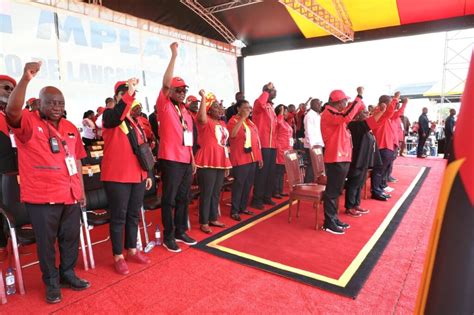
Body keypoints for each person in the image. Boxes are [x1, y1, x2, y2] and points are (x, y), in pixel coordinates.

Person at [6, 62, 90, 304]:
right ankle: (51, 282)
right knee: (46, 243)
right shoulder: (29, 122)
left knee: (70, 238)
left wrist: (81, 191)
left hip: (71, 195)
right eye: (51, 102)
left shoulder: (70, 127)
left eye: (60, 103)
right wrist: (25, 79)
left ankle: (67, 273)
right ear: (39, 103)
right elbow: (12, 111)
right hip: (42, 198)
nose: (56, 107)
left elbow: (78, 162)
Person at [101, 79, 152, 275]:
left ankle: (131, 249)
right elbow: (116, 116)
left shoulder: (134, 121)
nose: (127, 96)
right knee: (119, 217)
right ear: (116, 96)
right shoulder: (109, 116)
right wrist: (127, 96)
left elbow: (142, 149)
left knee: (133, 215)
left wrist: (146, 173)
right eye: (123, 93)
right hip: (117, 176)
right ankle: (118, 256)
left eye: (130, 92)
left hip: (137, 175)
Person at [156, 42, 197, 253]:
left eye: (184, 90)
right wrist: (174, 55)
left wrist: (192, 159)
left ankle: (181, 230)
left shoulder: (186, 111)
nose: (181, 93)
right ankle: (168, 235)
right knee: (169, 199)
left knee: (183, 197)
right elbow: (165, 83)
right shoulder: (164, 105)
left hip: (185, 160)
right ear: (170, 90)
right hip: (170, 159)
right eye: (177, 90)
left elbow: (188, 137)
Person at [320, 89, 364, 234]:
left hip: (341, 157)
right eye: (344, 100)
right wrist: (359, 96)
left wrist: (357, 101)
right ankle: (329, 222)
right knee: (332, 192)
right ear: (337, 102)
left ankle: (333, 218)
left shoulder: (336, 113)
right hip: (335, 157)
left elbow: (359, 108)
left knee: (337, 190)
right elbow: (347, 115)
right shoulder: (330, 113)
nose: (346, 103)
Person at [345, 89, 386, 217]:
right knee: (353, 184)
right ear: (357, 114)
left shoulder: (362, 125)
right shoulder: (354, 125)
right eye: (364, 112)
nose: (367, 113)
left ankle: (356, 204)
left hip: (364, 161)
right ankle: (350, 206)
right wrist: (381, 111)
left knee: (359, 184)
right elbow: (371, 122)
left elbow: (372, 122)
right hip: (356, 160)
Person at [195, 90, 231, 233]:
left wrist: (226, 162)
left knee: (216, 191)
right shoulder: (206, 121)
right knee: (207, 192)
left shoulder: (222, 122)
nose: (220, 108)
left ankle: (213, 217)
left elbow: (224, 144)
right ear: (209, 109)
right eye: (215, 106)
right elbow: (201, 117)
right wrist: (203, 98)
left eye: (220, 106)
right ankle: (204, 221)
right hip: (207, 159)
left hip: (221, 159)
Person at [228, 100, 262, 221]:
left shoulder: (251, 123)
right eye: (245, 108)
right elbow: (232, 134)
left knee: (248, 184)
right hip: (240, 158)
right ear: (238, 109)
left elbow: (256, 141)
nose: (248, 110)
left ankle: (243, 207)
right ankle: (234, 210)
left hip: (252, 158)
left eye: (249, 108)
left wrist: (259, 157)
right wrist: (242, 119)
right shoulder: (233, 121)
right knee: (239, 184)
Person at [250, 82, 278, 210]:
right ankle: (257, 199)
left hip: (272, 145)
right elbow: (261, 103)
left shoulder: (271, 107)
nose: (275, 92)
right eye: (273, 91)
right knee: (262, 174)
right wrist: (267, 90)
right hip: (263, 144)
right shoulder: (259, 104)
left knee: (270, 173)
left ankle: (267, 196)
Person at [0, 74, 17, 261]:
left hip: (12, 171)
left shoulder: (12, 115)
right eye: (6, 88)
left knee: (10, 206)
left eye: (12, 89)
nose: (10, 91)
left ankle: (11, 242)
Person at [371, 94, 401, 201]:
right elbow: (389, 112)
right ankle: (375, 191)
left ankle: (378, 189)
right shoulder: (378, 113)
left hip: (387, 146)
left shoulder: (385, 114)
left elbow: (395, 113)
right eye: (390, 102)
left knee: (382, 171)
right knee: (378, 171)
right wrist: (396, 98)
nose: (392, 105)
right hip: (381, 146)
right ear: (383, 103)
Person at [273, 104, 292, 198]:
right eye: (285, 111)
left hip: (286, 149)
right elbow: (278, 123)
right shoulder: (278, 120)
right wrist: (280, 113)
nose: (287, 113)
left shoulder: (285, 122)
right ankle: (275, 191)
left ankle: (280, 190)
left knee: (282, 172)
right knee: (278, 172)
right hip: (280, 149)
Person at [303, 98, 324, 183]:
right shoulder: (309, 116)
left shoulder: (317, 115)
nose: (320, 106)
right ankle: (307, 185)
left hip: (318, 144)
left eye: (320, 104)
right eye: (317, 104)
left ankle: (312, 184)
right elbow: (309, 132)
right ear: (312, 105)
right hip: (313, 146)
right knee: (311, 166)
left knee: (316, 167)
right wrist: (312, 147)